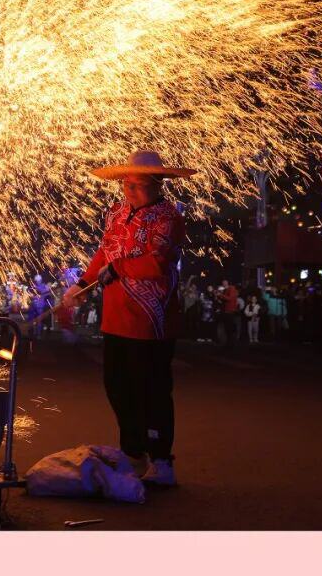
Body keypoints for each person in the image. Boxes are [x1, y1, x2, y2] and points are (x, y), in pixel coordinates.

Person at [61, 150, 196, 487]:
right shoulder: (117, 212)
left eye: (138, 185)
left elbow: (157, 263)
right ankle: (134, 452)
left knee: (151, 390)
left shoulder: (168, 218)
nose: (129, 190)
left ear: (157, 184)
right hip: (116, 317)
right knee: (117, 386)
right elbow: (105, 252)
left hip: (150, 321)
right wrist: (81, 283)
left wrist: (117, 268)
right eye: (126, 184)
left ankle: (161, 459)